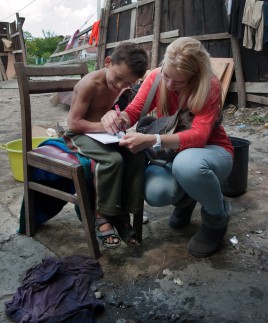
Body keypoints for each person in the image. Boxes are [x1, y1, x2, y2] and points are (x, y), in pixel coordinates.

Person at [101, 37, 234, 258]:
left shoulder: (208, 85)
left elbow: (199, 137)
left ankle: (216, 217)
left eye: (179, 82)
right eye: (167, 76)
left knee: (188, 165)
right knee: (156, 192)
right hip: (172, 154)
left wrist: (153, 140)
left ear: (195, 76)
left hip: (212, 153)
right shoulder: (156, 78)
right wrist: (117, 117)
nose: (170, 85)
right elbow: (133, 112)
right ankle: (187, 200)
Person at [63, 42, 148, 249]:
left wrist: (117, 122)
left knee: (137, 153)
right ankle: (101, 214)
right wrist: (103, 127)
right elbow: (73, 123)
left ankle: (124, 212)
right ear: (107, 62)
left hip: (104, 134)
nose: (120, 86)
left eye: (127, 83)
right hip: (78, 135)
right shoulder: (89, 84)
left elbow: (115, 113)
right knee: (113, 160)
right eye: (118, 78)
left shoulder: (118, 84)